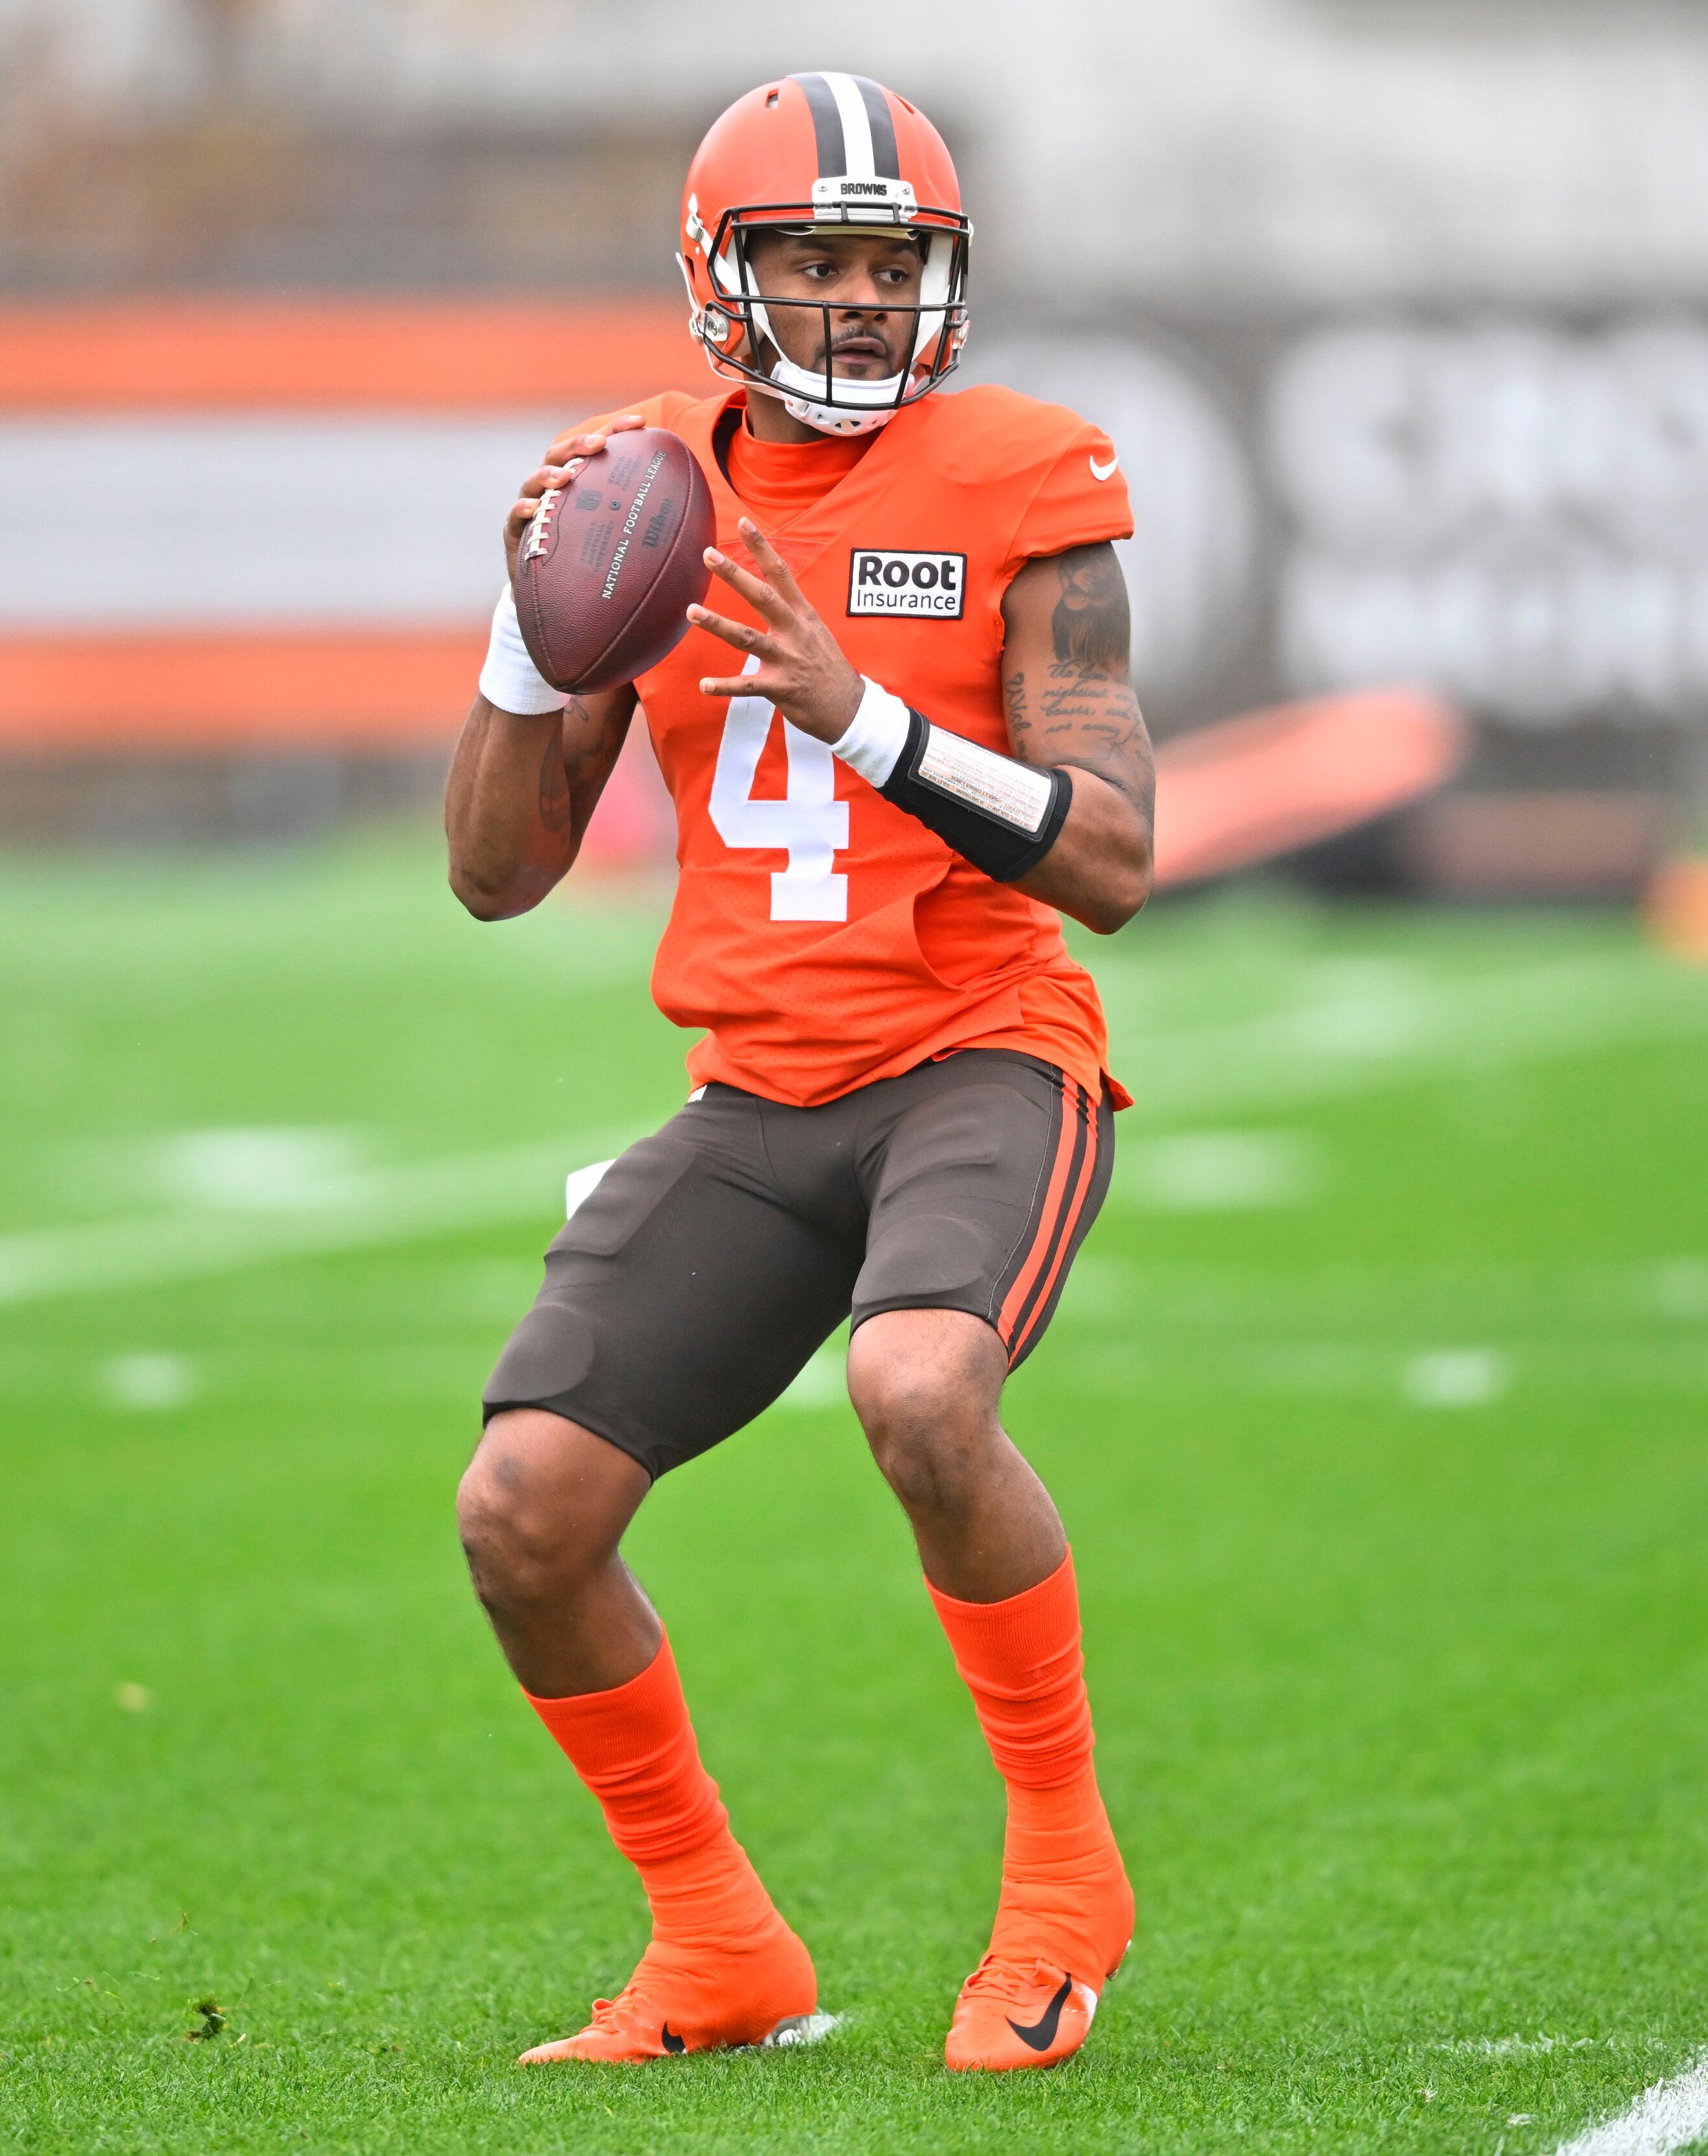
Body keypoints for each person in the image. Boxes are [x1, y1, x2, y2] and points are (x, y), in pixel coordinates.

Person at [441, 71, 1155, 2074]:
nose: (857, 304)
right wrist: (525, 647)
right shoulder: (640, 487)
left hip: (981, 1049)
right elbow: (496, 877)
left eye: (889, 265)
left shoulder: (1030, 474)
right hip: (759, 1090)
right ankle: (715, 1945)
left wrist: (873, 725)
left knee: (922, 1383)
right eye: (817, 262)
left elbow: (1111, 859)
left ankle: (1061, 1866)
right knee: (523, 1514)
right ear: (721, 276)